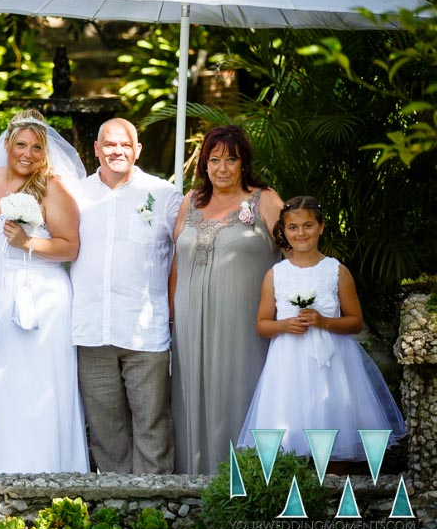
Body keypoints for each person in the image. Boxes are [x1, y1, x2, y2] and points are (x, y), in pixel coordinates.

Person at [0, 109, 90, 474]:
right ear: (8, 145)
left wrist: (28, 242)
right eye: (21, 145)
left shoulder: (53, 188)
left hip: (37, 298)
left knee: (32, 387)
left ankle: (39, 470)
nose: (27, 154)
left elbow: (71, 247)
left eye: (35, 147)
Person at [238, 196, 406, 460]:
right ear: (284, 231)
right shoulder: (276, 274)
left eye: (308, 225)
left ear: (321, 227)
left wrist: (323, 321)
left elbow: (355, 321)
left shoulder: (336, 271)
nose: (301, 233)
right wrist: (285, 324)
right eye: (293, 227)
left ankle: (335, 487)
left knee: (333, 425)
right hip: (288, 363)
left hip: (332, 363)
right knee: (290, 428)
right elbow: (262, 324)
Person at [71, 118, 182, 474]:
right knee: (105, 430)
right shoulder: (76, 194)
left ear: (137, 150)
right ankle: (116, 507)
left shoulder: (164, 194)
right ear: (96, 149)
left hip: (145, 331)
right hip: (92, 329)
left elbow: (188, 251)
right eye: (109, 144)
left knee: (152, 424)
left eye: (124, 145)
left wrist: (174, 307)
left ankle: (155, 506)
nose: (116, 151)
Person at [171, 125, 283, 474]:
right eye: (214, 159)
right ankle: (193, 485)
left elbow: (298, 250)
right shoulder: (190, 202)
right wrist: (171, 318)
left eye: (231, 160)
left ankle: (246, 479)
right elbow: (176, 262)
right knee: (191, 396)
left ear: (243, 163)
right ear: (204, 164)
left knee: (239, 390)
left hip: (244, 324)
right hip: (190, 326)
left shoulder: (264, 199)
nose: (222, 168)